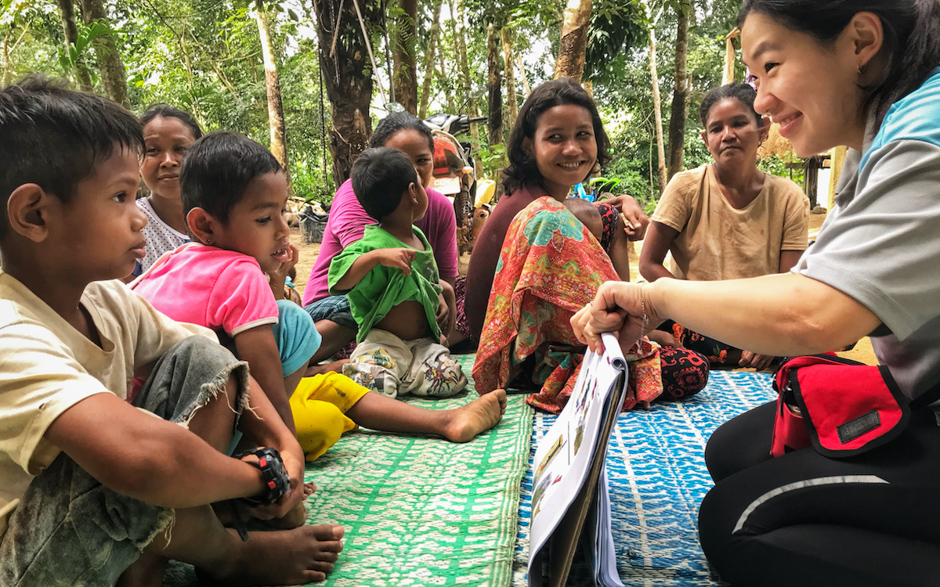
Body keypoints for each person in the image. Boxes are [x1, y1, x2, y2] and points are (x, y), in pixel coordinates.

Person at [572, 1, 940, 584]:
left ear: (861, 41)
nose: (761, 101)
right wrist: (653, 295)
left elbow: (817, 312)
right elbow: (805, 290)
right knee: (731, 452)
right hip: (910, 390)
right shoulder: (880, 136)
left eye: (771, 67)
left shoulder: (926, 135)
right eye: (752, 78)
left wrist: (652, 299)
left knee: (734, 523)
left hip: (922, 405)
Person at [0, 77, 344, 587]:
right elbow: (144, 460)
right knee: (132, 459)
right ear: (35, 214)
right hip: (28, 561)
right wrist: (258, 478)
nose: (139, 219)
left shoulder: (107, 300)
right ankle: (228, 556)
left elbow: (214, 363)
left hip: (91, 529)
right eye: (120, 198)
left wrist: (283, 448)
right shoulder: (9, 330)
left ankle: (148, 568)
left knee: (203, 356)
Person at [134, 133, 505, 460]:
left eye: (282, 213)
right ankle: (254, 460)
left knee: (324, 373)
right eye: (265, 219)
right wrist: (284, 454)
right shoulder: (238, 272)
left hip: (142, 424)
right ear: (204, 226)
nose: (283, 230)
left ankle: (444, 419)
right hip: (187, 439)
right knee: (321, 411)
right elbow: (268, 390)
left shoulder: (171, 261)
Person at [471, 79, 710, 413]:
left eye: (583, 135)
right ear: (528, 146)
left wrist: (623, 200)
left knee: (608, 217)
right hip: (519, 355)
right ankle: (622, 332)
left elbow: (593, 215)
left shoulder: (537, 196)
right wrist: (645, 337)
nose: (573, 149)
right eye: (555, 137)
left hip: (538, 324)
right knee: (690, 368)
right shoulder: (545, 216)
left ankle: (628, 322)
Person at [639, 83, 809, 370]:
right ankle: (722, 351)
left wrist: (769, 335)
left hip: (761, 318)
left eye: (739, 123)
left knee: (822, 329)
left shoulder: (789, 197)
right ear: (707, 140)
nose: (727, 135)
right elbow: (648, 263)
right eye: (716, 129)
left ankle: (744, 351)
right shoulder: (686, 187)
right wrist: (692, 307)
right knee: (651, 315)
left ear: (763, 130)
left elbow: (790, 283)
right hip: (696, 316)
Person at [303, 112, 463, 365]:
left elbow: (443, 277)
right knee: (371, 305)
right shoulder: (358, 196)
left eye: (422, 160)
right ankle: (300, 362)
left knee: (469, 293)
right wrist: (430, 294)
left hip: (405, 302)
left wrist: (442, 296)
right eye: (400, 162)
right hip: (347, 301)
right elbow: (371, 279)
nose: (414, 172)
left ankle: (411, 351)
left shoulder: (440, 207)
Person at [330, 147, 469, 399]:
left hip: (422, 345)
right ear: (413, 192)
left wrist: (440, 295)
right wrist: (376, 258)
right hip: (383, 345)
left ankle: (406, 378)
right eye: (419, 181)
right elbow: (338, 280)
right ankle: (388, 376)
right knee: (370, 388)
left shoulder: (419, 237)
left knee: (453, 379)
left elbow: (423, 281)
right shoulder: (371, 244)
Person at [132, 103, 202, 278]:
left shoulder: (225, 217)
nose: (168, 161)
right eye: (153, 150)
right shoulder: (131, 226)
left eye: (180, 149)